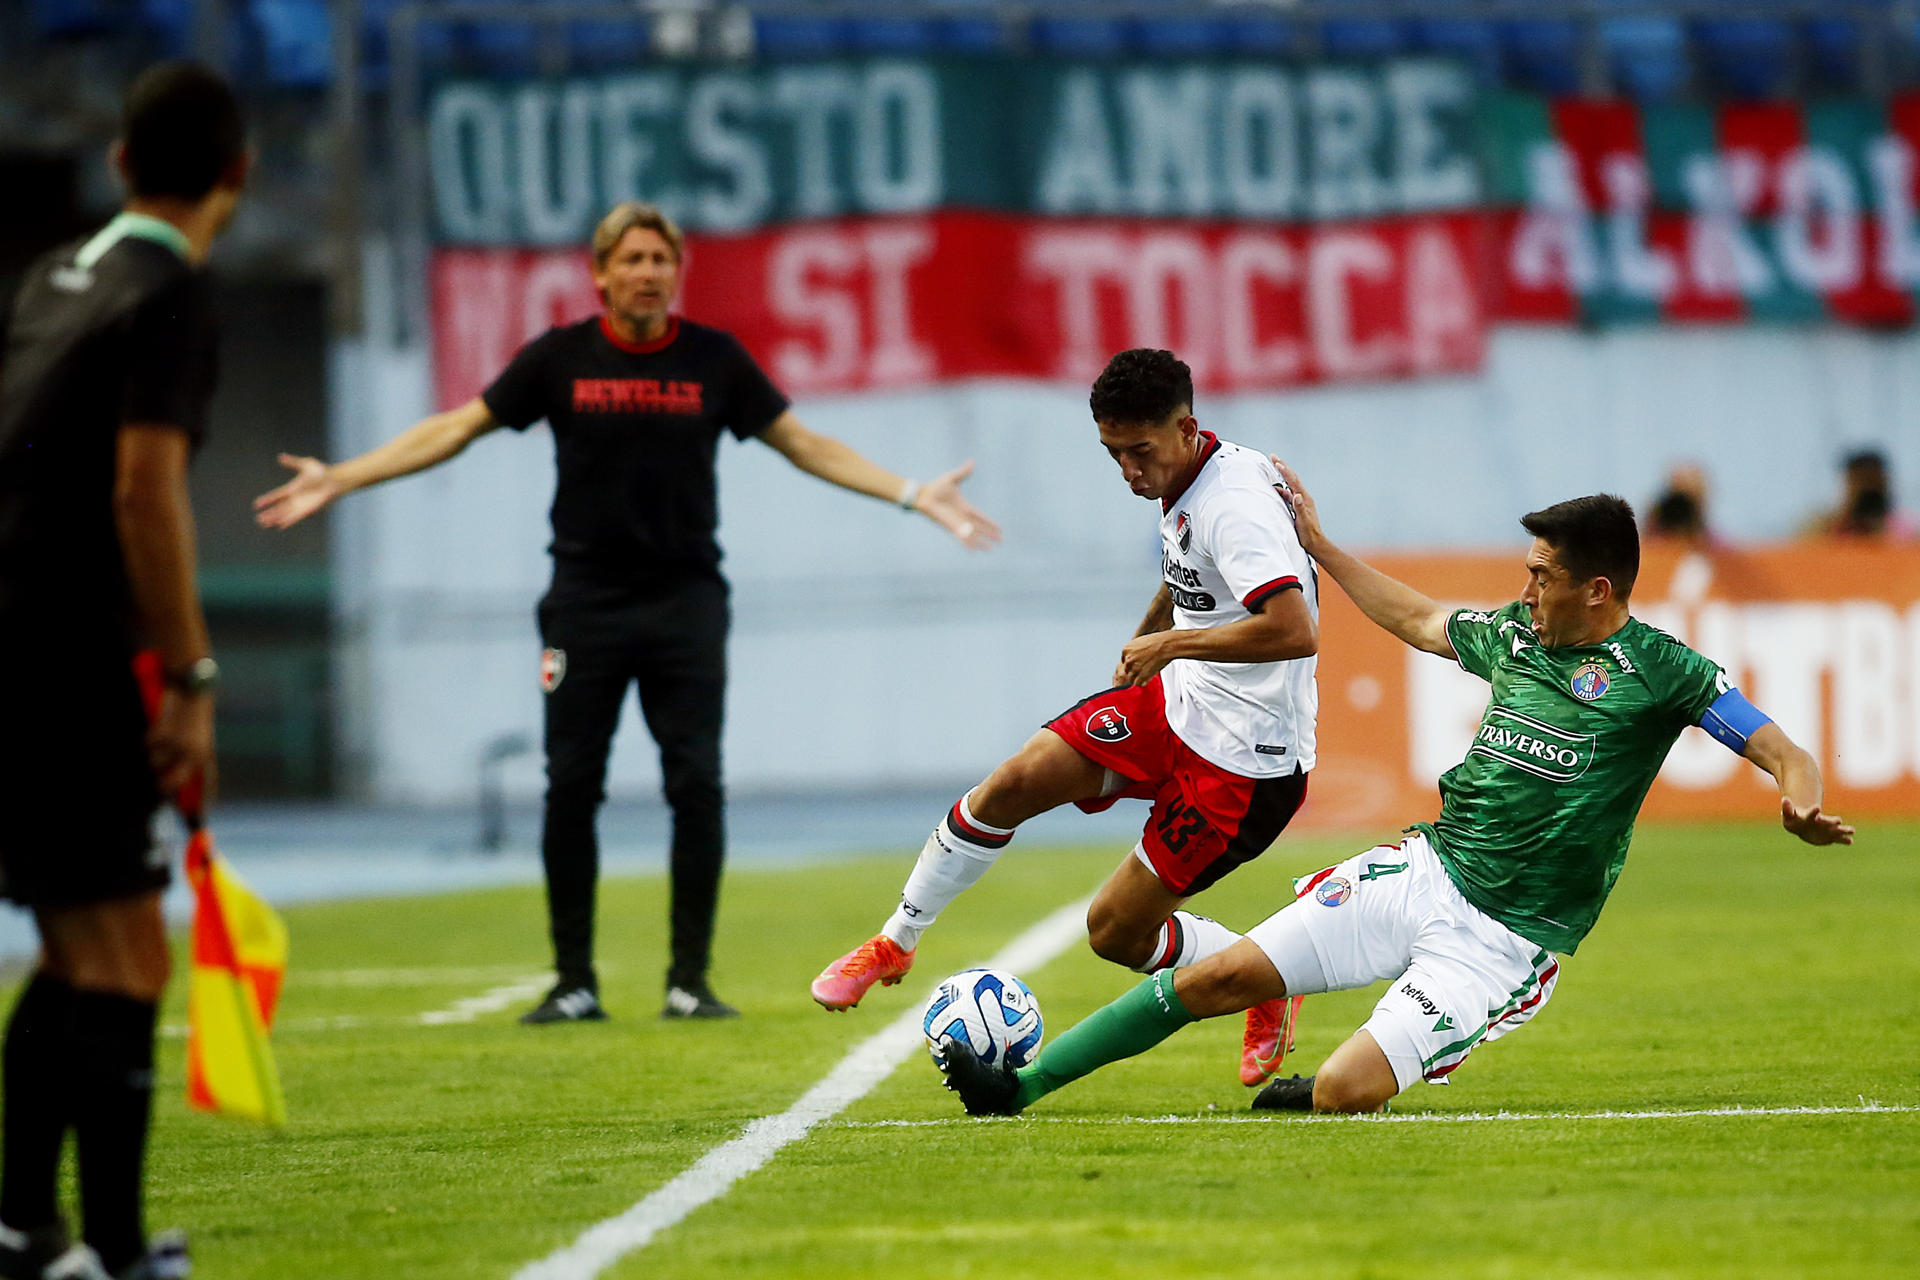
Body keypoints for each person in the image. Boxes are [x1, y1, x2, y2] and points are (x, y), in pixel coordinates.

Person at [254, 201, 998, 1025]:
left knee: (696, 787)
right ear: (601, 272)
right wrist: (344, 477)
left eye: (660, 259)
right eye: (633, 258)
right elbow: (457, 428)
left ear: (676, 272)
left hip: (686, 606)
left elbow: (804, 443)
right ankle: (573, 982)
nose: (648, 271)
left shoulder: (713, 360)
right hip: (584, 607)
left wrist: (909, 493)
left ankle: (689, 982)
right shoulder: (559, 359)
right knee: (570, 788)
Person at [937, 469, 1853, 1119]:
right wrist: (1322, 547)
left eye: (1543, 574)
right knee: (1217, 976)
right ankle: (1021, 1088)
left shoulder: (1661, 670)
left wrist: (1798, 799)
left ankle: (1330, 1088)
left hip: (1505, 939)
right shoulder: (1517, 638)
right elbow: (1419, 618)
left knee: (1342, 1092)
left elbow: (1779, 745)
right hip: (1427, 870)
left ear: (1597, 588)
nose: (1525, 586)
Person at [811, 348, 1320, 1088]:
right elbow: (1192, 572)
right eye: (1113, 454)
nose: (1128, 472)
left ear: (1187, 427)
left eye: (1139, 452)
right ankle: (894, 942)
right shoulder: (1188, 472)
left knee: (1113, 934)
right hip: (1176, 705)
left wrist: (1168, 642)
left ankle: (1266, 977)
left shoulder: (1235, 505)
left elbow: (1293, 629)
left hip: (1246, 763)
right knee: (1016, 779)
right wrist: (1153, 628)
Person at [0, 60, 247, 1279]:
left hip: (14, 642)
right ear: (237, 178)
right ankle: (103, 1247)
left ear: (118, 164)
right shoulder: (173, 291)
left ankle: (26, 1228)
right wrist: (190, 681)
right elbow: (144, 489)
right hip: (69, 654)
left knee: (69, 945)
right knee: (127, 958)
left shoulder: (52, 277)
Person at [1802, 448, 1918, 540]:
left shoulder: (1908, 532)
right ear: (1849, 483)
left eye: (1873, 480)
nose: (1869, 486)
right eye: (1862, 481)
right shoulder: (1822, 529)